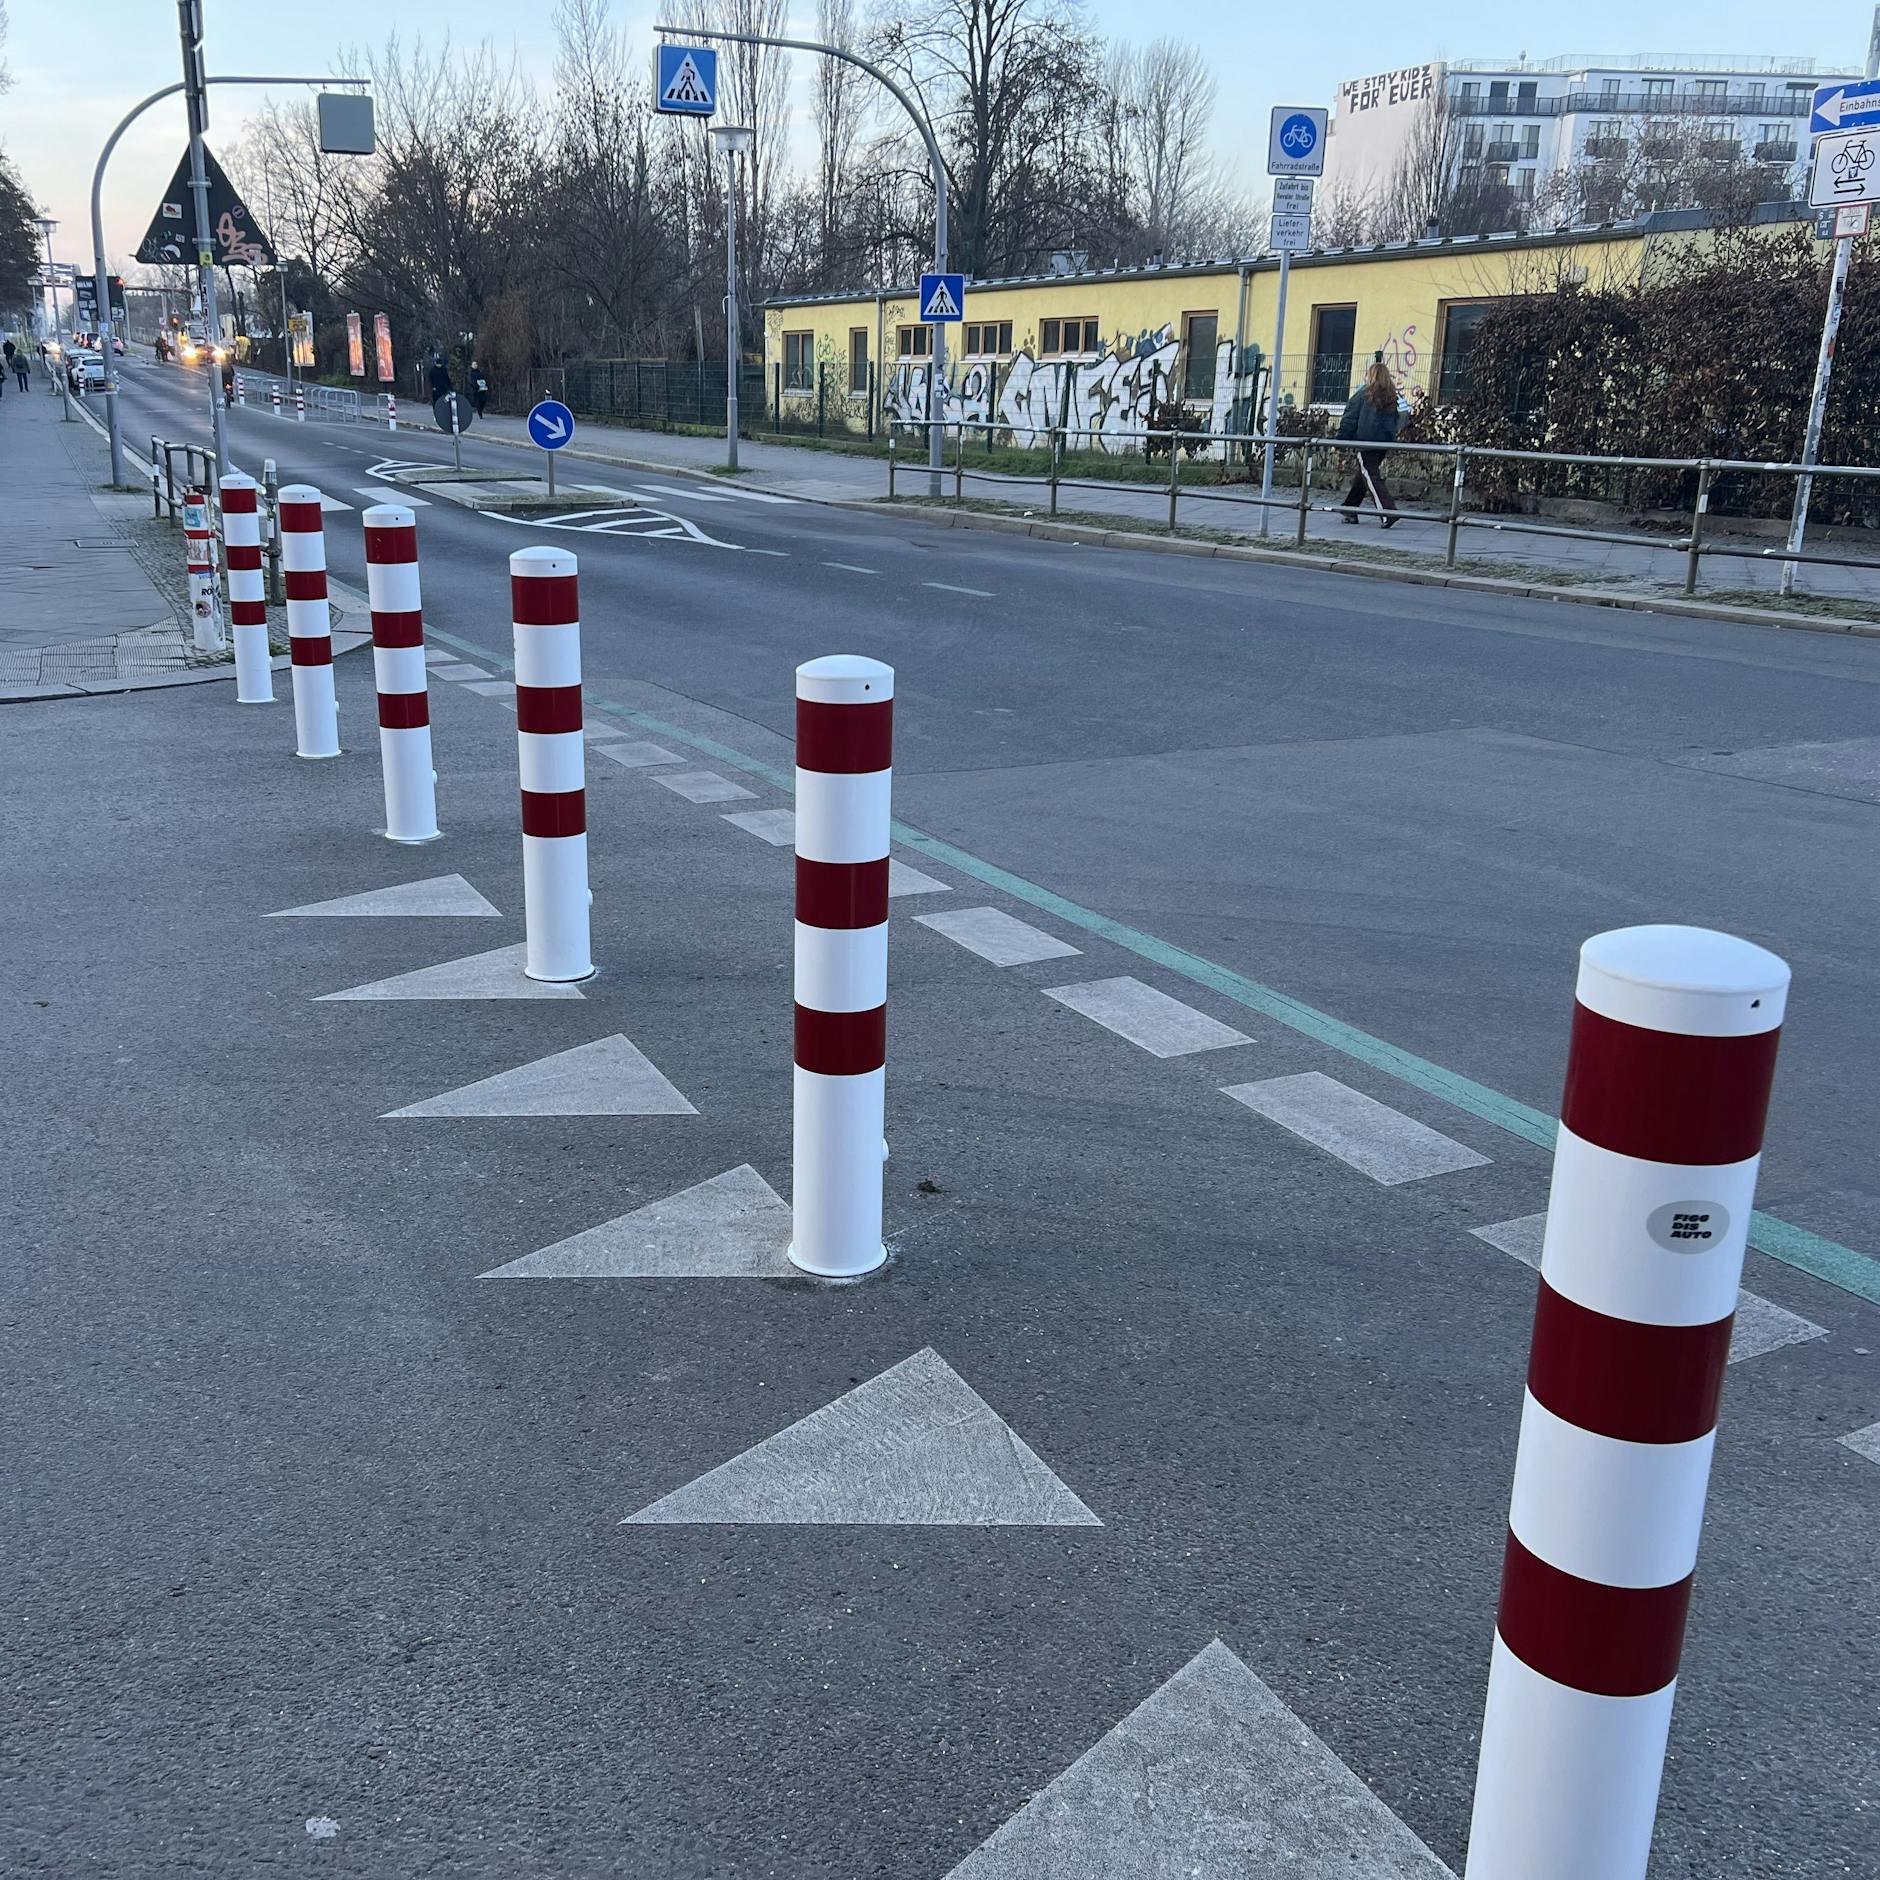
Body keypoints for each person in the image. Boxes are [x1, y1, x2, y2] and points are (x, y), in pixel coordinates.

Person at [1336, 353, 1402, 528]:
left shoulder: (1362, 395)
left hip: (1364, 442)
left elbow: (1350, 418)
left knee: (1370, 476)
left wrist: (1341, 440)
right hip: (1382, 444)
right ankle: (1350, 509)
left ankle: (1387, 512)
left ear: (1370, 376)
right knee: (1364, 475)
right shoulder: (1391, 397)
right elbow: (1397, 420)